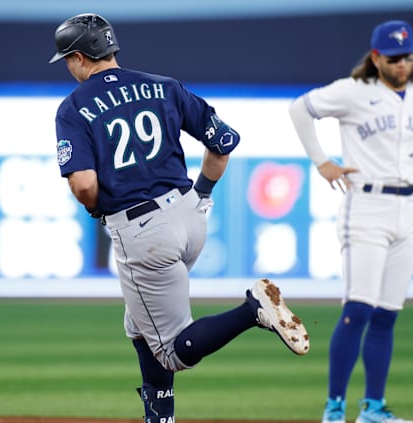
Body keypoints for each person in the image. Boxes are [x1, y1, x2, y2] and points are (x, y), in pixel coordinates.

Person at [49, 13, 310, 423]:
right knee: (138, 324)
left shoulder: (74, 107)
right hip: (189, 216)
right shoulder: (164, 86)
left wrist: (97, 206)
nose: (68, 67)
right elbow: (223, 143)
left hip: (142, 234)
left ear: (81, 57)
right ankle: (160, 417)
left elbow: (83, 185)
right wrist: (201, 195)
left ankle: (252, 310)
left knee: (171, 352)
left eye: (67, 59)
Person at [288, 20, 413, 423]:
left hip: (406, 210)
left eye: (408, 57)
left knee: (386, 314)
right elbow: (300, 109)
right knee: (357, 310)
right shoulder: (353, 91)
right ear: (376, 57)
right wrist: (322, 162)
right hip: (365, 207)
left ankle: (373, 409)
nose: (402, 64)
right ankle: (334, 409)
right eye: (394, 57)